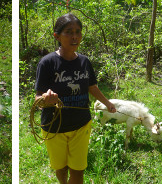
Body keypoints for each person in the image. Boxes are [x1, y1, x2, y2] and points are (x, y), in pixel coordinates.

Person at [34, 13, 116, 184]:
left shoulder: (85, 62)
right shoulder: (47, 63)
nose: (74, 36)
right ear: (57, 36)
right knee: (61, 168)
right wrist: (45, 99)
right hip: (54, 127)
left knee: (78, 172)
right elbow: (38, 99)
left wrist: (108, 103)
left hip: (81, 124)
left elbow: (91, 87)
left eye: (78, 32)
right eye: (69, 32)